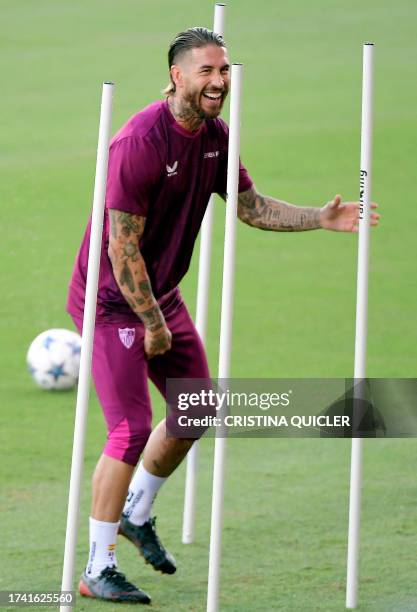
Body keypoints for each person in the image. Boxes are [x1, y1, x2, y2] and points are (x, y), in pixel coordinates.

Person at [66, 27, 379, 604]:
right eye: (207, 71)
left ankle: (136, 513)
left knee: (197, 405)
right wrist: (152, 323)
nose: (219, 82)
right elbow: (121, 247)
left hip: (161, 294)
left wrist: (321, 218)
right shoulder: (140, 142)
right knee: (131, 428)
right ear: (178, 75)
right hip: (114, 302)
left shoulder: (216, 137)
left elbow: (251, 206)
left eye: (225, 70)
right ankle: (97, 565)